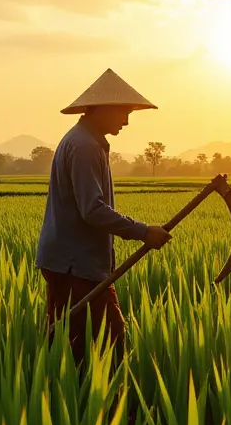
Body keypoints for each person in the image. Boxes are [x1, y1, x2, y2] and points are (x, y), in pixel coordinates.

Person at [36, 68, 171, 364]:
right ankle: (92, 403)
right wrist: (143, 231)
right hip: (74, 266)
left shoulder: (87, 141)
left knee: (90, 343)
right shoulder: (84, 146)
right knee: (97, 345)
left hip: (74, 262)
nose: (125, 120)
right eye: (123, 112)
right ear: (101, 109)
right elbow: (92, 210)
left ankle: (85, 401)